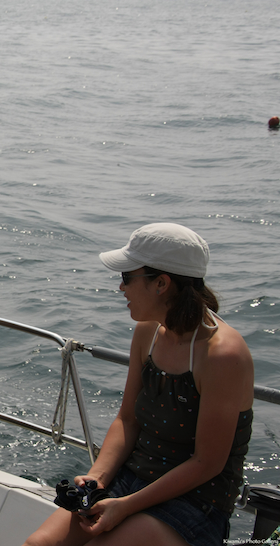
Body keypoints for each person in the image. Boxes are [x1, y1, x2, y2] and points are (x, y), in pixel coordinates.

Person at [23, 223, 254, 546]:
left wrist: (125, 506)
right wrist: (97, 478)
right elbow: (127, 420)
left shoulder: (223, 355)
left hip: (194, 501)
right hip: (132, 478)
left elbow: (207, 463)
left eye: (127, 277)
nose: (121, 287)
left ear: (161, 283)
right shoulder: (148, 331)